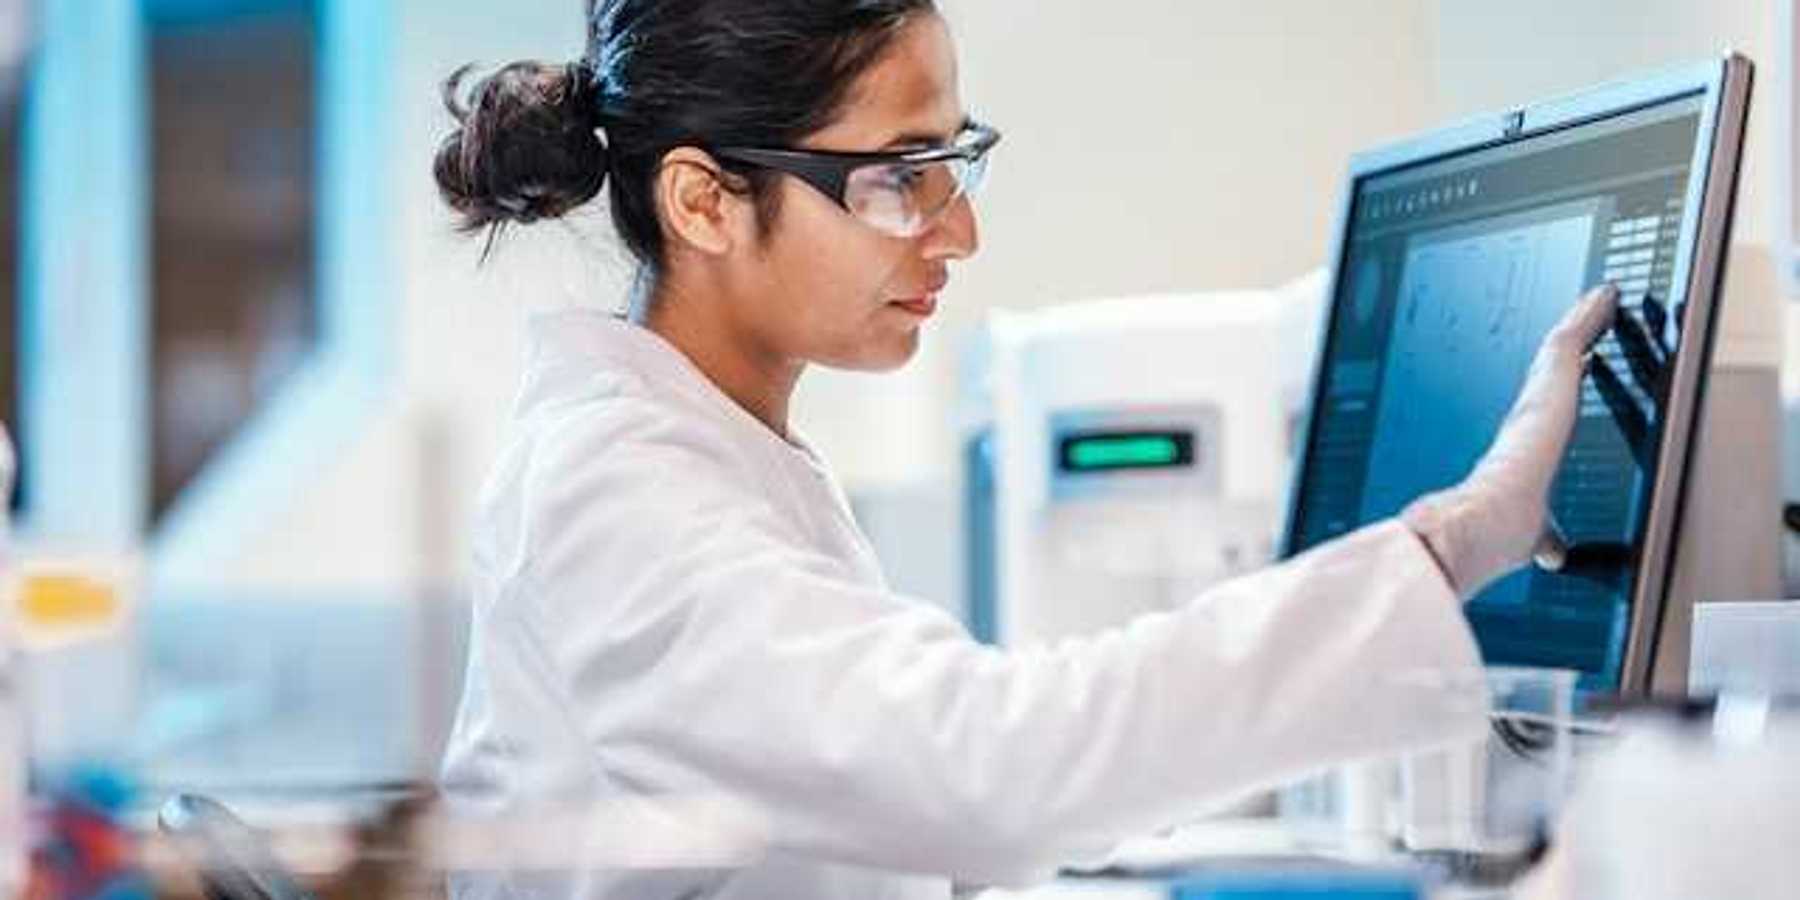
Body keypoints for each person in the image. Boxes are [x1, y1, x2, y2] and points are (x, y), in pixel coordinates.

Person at [433, 2, 1619, 898]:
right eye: (900, 177)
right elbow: (984, 767)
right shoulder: (617, 493)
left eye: (956, 162)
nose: (959, 229)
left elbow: (918, 795)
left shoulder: (715, 454)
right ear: (703, 203)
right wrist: (1453, 542)